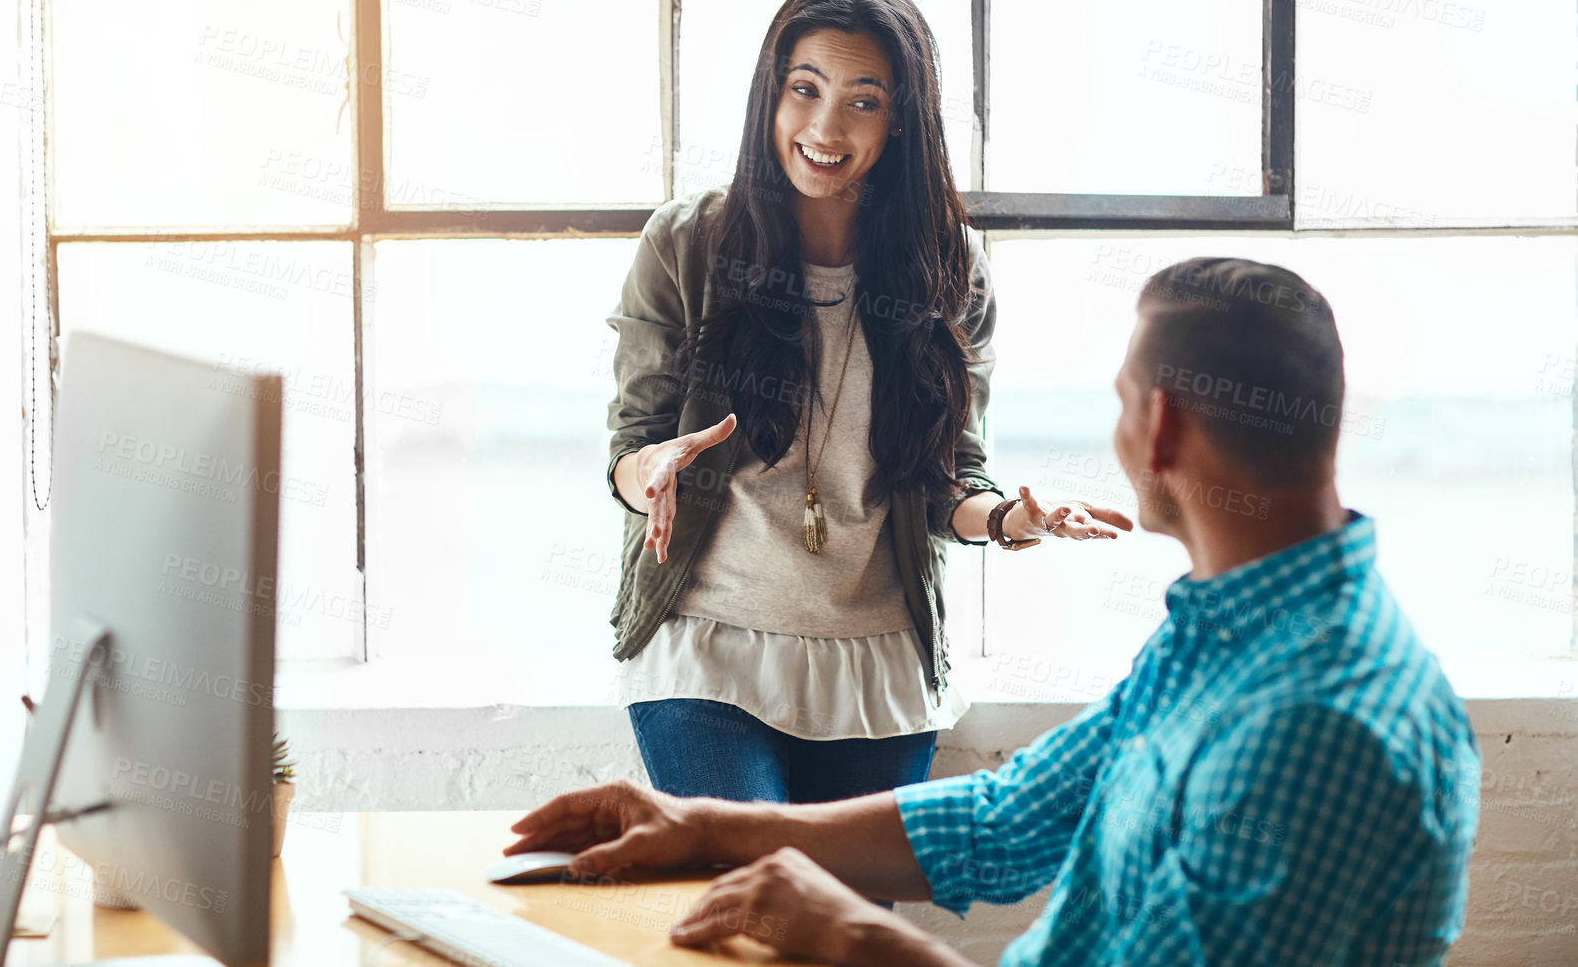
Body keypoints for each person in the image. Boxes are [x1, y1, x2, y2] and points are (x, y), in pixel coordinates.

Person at [530, 256, 1482, 965]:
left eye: (1121, 402)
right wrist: (700, 825)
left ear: (1164, 431)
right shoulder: (1237, 629)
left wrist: (854, 936)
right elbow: (1001, 822)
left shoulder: (1314, 729)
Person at [604, 0, 1130, 807]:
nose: (824, 125)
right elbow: (634, 448)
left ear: (902, 121)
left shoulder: (948, 270)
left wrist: (1007, 519)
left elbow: (945, 477)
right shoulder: (688, 244)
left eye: (864, 99)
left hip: (876, 662)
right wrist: (649, 471)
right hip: (705, 647)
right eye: (803, 89)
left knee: (847, 935)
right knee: (750, 912)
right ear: (768, 98)